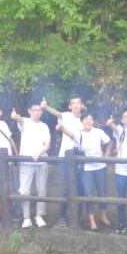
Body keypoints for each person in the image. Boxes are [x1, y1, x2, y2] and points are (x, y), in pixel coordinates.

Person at [64, 112, 112, 230]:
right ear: (82, 121)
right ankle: (92, 220)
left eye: (90, 119)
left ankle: (103, 215)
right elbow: (72, 138)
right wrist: (61, 128)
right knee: (88, 194)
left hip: (100, 167)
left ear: (93, 121)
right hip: (86, 169)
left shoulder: (99, 132)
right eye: (85, 119)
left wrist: (106, 156)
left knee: (102, 192)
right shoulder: (78, 134)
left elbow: (109, 142)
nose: (88, 121)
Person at [44, 95, 85, 227]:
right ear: (70, 106)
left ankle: (77, 217)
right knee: (68, 187)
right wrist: (46, 107)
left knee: (81, 188)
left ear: (82, 105)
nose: (76, 105)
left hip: (81, 158)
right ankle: (61, 216)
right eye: (73, 103)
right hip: (66, 157)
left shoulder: (86, 119)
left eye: (78, 103)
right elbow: (57, 113)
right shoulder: (66, 116)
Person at [12, 101, 52, 229]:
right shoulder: (25, 122)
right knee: (24, 190)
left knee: (41, 190)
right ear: (29, 111)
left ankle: (39, 216)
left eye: (39, 110)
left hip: (42, 161)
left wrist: (39, 152)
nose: (36, 112)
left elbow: (47, 144)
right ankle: (26, 217)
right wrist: (15, 116)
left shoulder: (44, 126)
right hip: (26, 162)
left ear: (41, 112)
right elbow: (19, 119)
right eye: (34, 110)